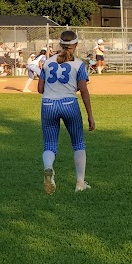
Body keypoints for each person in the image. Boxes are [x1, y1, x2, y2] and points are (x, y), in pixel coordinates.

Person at [38, 30, 95, 194]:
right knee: (78, 143)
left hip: (48, 104)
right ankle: (79, 183)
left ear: (60, 44)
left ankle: (49, 169)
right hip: (69, 104)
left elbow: (40, 88)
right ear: (75, 45)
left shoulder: (48, 63)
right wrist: (90, 116)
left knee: (49, 144)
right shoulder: (78, 64)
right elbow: (83, 90)